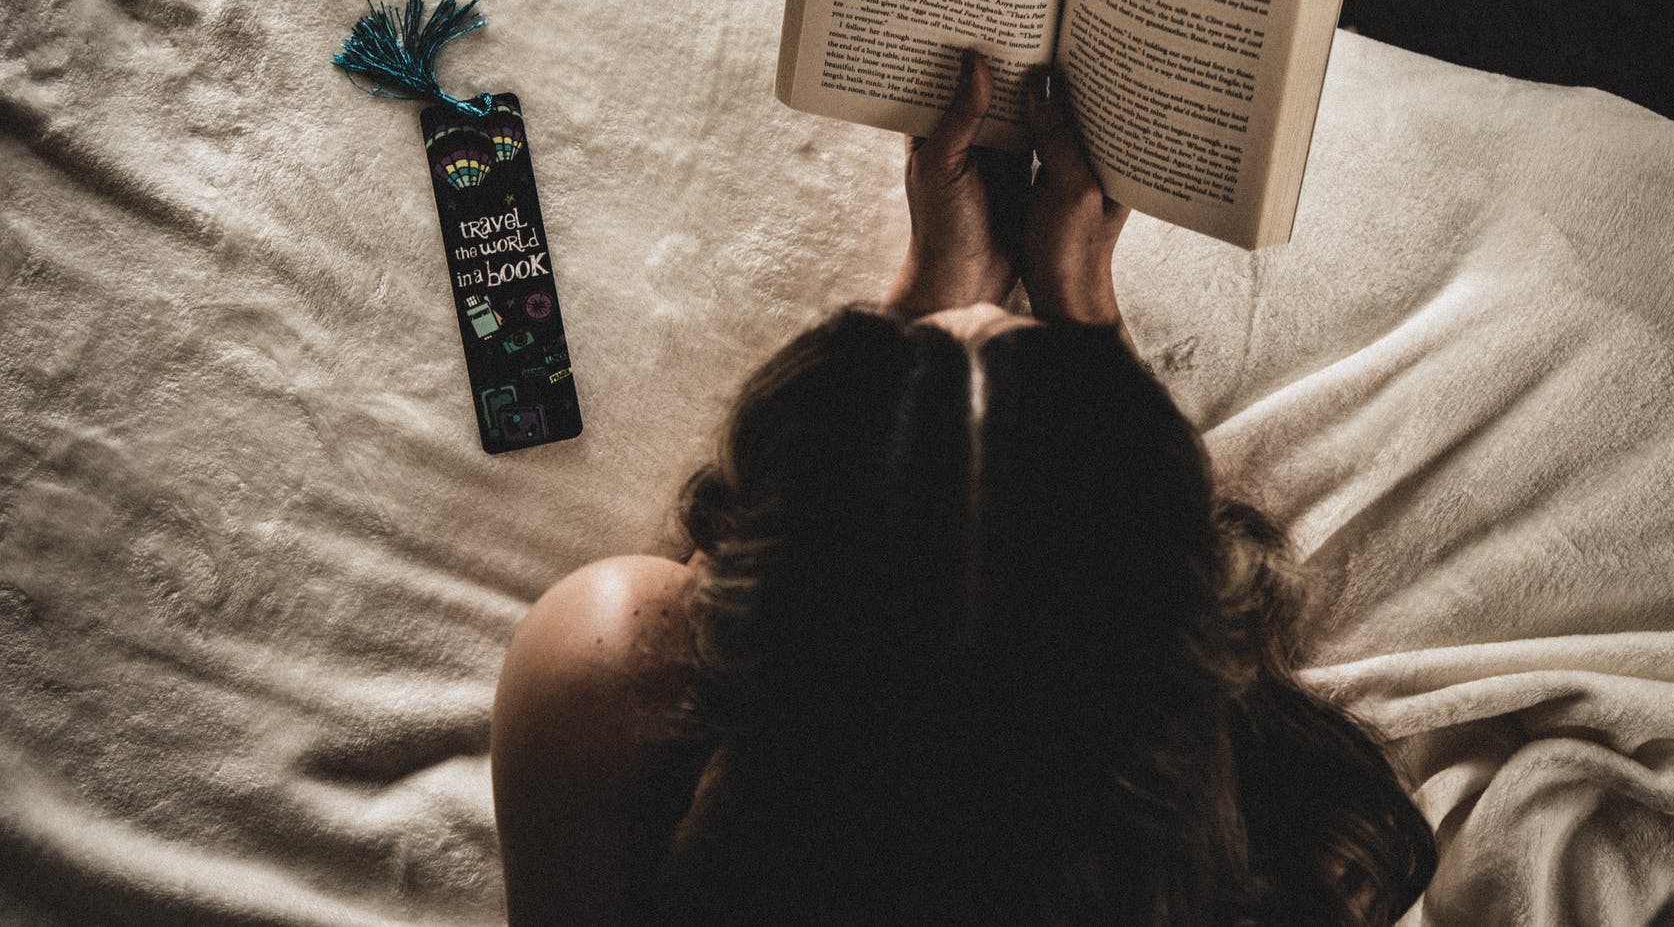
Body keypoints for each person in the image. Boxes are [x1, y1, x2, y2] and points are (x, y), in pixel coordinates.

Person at [491, 54, 1436, 925]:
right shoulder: (1312, 861)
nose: (983, 311)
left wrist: (922, 299)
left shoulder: (601, 666)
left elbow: (730, 595)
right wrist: (1087, 330)